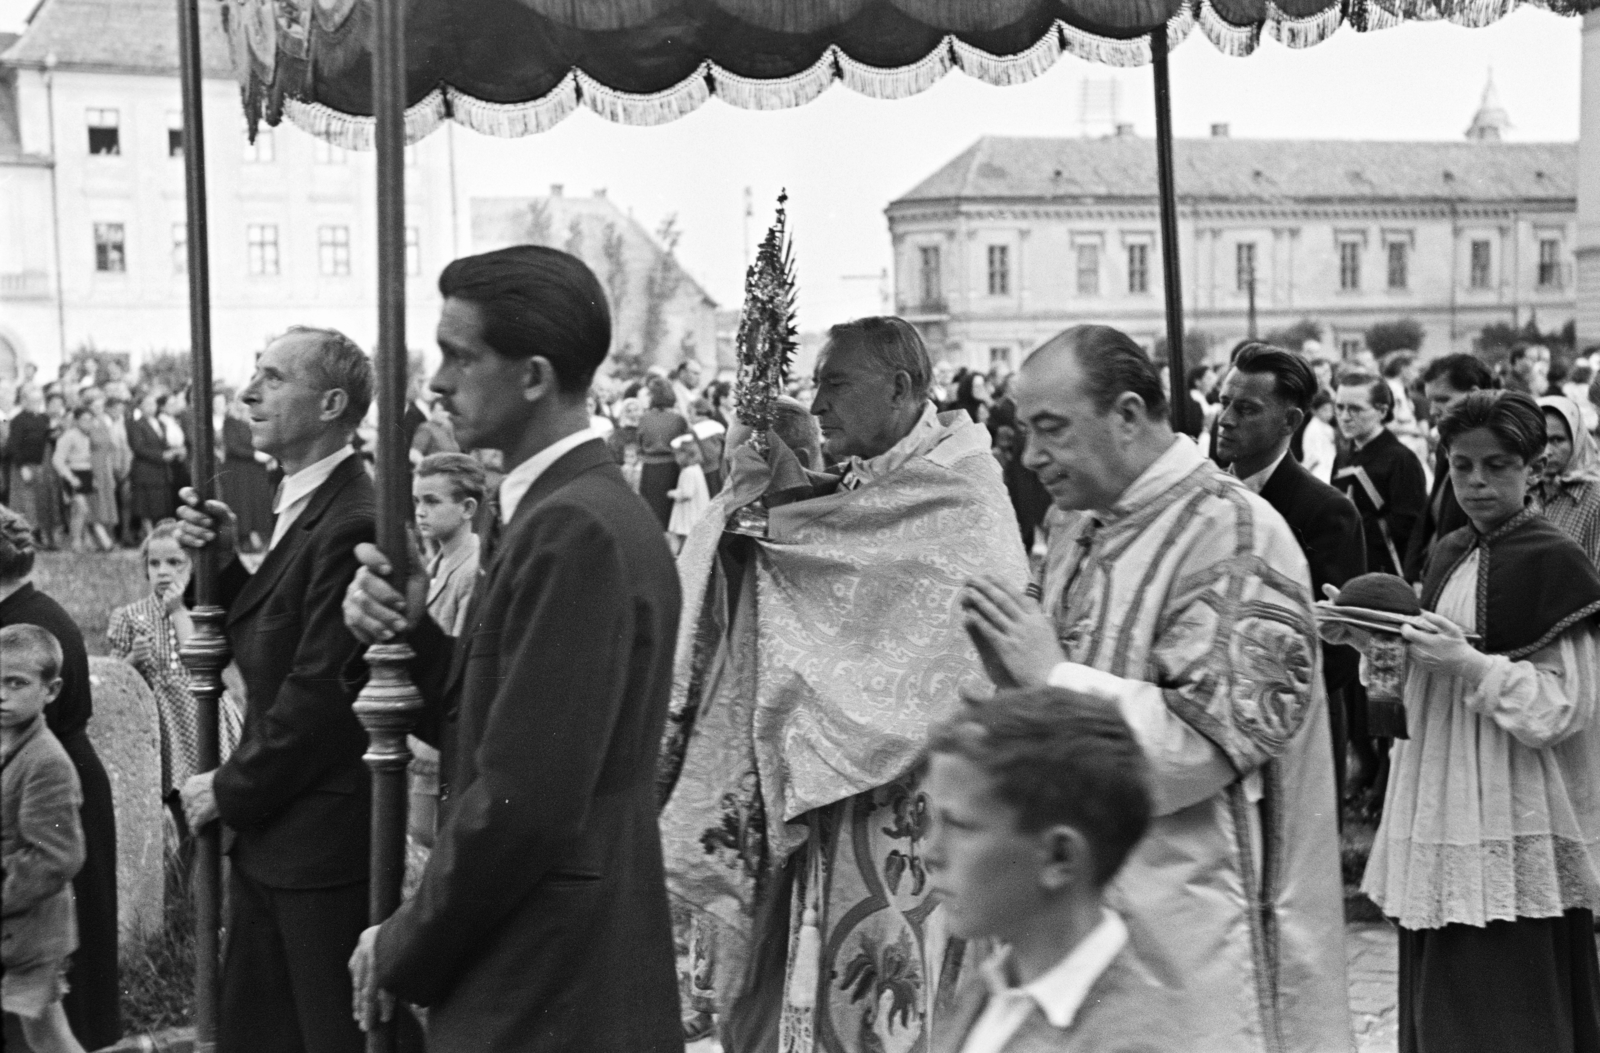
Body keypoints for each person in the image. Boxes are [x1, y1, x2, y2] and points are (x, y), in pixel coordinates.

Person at [959, 325, 1350, 1053]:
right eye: (1025, 431)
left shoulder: (1236, 535)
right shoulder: (1078, 524)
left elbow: (1206, 746)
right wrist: (1012, 681)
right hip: (1080, 897)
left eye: (1052, 429)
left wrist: (1050, 674)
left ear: (1129, 414)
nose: (1032, 455)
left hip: (1191, 919)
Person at [340, 245, 684, 1052]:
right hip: (563, 961)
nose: (436, 381)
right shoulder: (569, 510)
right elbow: (506, 724)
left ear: (533, 375)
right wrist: (411, 634)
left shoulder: (573, 528)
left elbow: (523, 802)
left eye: (461, 356)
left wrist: (399, 942)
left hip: (549, 978)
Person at [658, 316, 1029, 1051]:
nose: (819, 402)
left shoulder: (962, 491)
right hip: (844, 785)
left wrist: (785, 543)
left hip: (924, 791)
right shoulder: (878, 477)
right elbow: (836, 549)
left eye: (836, 383)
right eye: (817, 383)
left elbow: (923, 622)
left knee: (897, 989)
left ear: (899, 387)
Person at [1332, 390, 1600, 1053]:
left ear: (1532, 468)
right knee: (1444, 989)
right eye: (1461, 465)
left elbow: (1563, 707)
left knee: (1506, 996)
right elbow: (1420, 684)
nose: (1477, 482)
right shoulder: (1449, 549)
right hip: (1443, 795)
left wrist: (1470, 664)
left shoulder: (1556, 561)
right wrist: (1369, 640)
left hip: (1511, 804)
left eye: (1498, 465)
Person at [174, 327, 376, 1053]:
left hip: (315, 844)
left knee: (325, 1035)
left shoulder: (353, 516)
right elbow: (274, 638)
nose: (249, 393)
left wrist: (228, 788)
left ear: (329, 403)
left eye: (272, 378)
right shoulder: (305, 500)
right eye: (252, 374)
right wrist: (227, 567)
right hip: (280, 840)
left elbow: (320, 695)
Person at [925, 687, 1186, 1053]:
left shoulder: (1129, 1041)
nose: (930, 852)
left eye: (961, 826)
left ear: (1059, 857)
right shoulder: (986, 992)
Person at [1214, 342, 1365, 806]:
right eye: (1223, 403)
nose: (1225, 420)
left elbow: (1338, 645)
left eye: (1246, 408)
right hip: (1214, 720)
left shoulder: (1326, 511)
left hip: (1298, 721)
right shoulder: (1208, 496)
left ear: (1291, 421)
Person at [0, 507, 121, 1048]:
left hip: (44, 791)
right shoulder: (35, 609)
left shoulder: (19, 628)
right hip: (55, 784)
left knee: (55, 994)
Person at [107, 521, 243, 832]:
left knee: (209, 804)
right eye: (155, 564)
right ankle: (178, 871)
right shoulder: (130, 615)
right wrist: (133, 660)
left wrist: (178, 609)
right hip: (162, 723)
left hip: (201, 719)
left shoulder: (201, 612)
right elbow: (117, 680)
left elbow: (199, 659)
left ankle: (208, 868)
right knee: (172, 809)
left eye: (174, 562)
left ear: (192, 566)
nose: (164, 571)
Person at [1, 624, 87, 1053]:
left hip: (31, 932)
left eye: (16, 683)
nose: (1, 695)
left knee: (49, 1038)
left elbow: (57, 857)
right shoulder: (5, 741)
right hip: (14, 929)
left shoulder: (47, 763)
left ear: (50, 691)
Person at [1403, 353, 1494, 583]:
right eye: (1430, 400)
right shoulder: (1448, 448)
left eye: (1443, 399)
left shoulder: (1497, 455)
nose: (1433, 410)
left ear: (1474, 394)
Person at [1332, 373, 1426, 579]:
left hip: (1385, 574)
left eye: (1355, 408)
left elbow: (1409, 527)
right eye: (1339, 407)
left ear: (1382, 410)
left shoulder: (1402, 459)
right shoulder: (1344, 455)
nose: (1345, 416)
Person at [412, 452, 483, 638]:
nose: (420, 512)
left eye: (432, 501)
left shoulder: (472, 571)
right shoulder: (436, 563)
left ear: (467, 508)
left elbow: (460, 653)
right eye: (417, 501)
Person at [1535, 395, 1600, 565]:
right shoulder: (1524, 490)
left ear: (1576, 441)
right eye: (1539, 440)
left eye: (1557, 440)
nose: (1547, 451)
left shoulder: (1594, 499)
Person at [215, 393, 274, 552]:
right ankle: (244, 539)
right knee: (243, 505)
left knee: (257, 504)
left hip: (255, 470)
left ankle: (258, 536)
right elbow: (233, 447)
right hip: (239, 471)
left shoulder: (253, 422)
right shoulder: (230, 422)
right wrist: (254, 455)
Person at [638, 376, 690, 528]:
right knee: (668, 513)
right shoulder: (679, 419)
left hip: (650, 468)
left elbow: (640, 442)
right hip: (670, 467)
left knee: (651, 513)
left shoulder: (644, 418)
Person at [51, 410, 106, 553]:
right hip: (73, 474)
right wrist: (70, 477)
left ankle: (85, 541)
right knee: (79, 509)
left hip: (86, 474)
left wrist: (92, 478)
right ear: (76, 420)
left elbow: (88, 459)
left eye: (90, 420)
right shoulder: (69, 436)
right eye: (84, 420)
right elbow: (58, 460)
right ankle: (75, 542)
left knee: (85, 512)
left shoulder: (87, 436)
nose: (87, 423)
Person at [127, 389, 173, 539]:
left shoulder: (160, 423)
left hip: (160, 470)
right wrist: (161, 455)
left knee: (159, 504)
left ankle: (157, 533)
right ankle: (148, 533)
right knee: (145, 505)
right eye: (147, 404)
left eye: (153, 404)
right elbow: (138, 448)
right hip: (145, 470)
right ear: (140, 407)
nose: (151, 407)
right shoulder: (136, 424)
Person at [6, 389, 51, 540]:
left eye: (38, 401)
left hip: (40, 465)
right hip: (23, 466)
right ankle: (26, 535)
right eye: (32, 401)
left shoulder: (44, 418)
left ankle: (41, 534)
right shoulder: (19, 420)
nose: (36, 404)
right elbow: (13, 445)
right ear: (25, 401)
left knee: (41, 501)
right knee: (26, 502)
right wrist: (22, 466)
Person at [665, 433, 709, 553]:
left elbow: (687, 493)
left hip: (689, 513)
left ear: (685, 455)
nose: (675, 458)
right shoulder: (696, 469)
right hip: (696, 511)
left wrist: (672, 493)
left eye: (676, 455)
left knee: (684, 538)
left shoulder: (688, 472)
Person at [1301, 389, 1338, 483]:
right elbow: (1314, 457)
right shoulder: (1313, 429)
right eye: (1324, 410)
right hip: (1318, 473)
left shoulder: (1328, 428)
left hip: (1328, 470)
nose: (1329, 414)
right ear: (1314, 411)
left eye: (1330, 410)